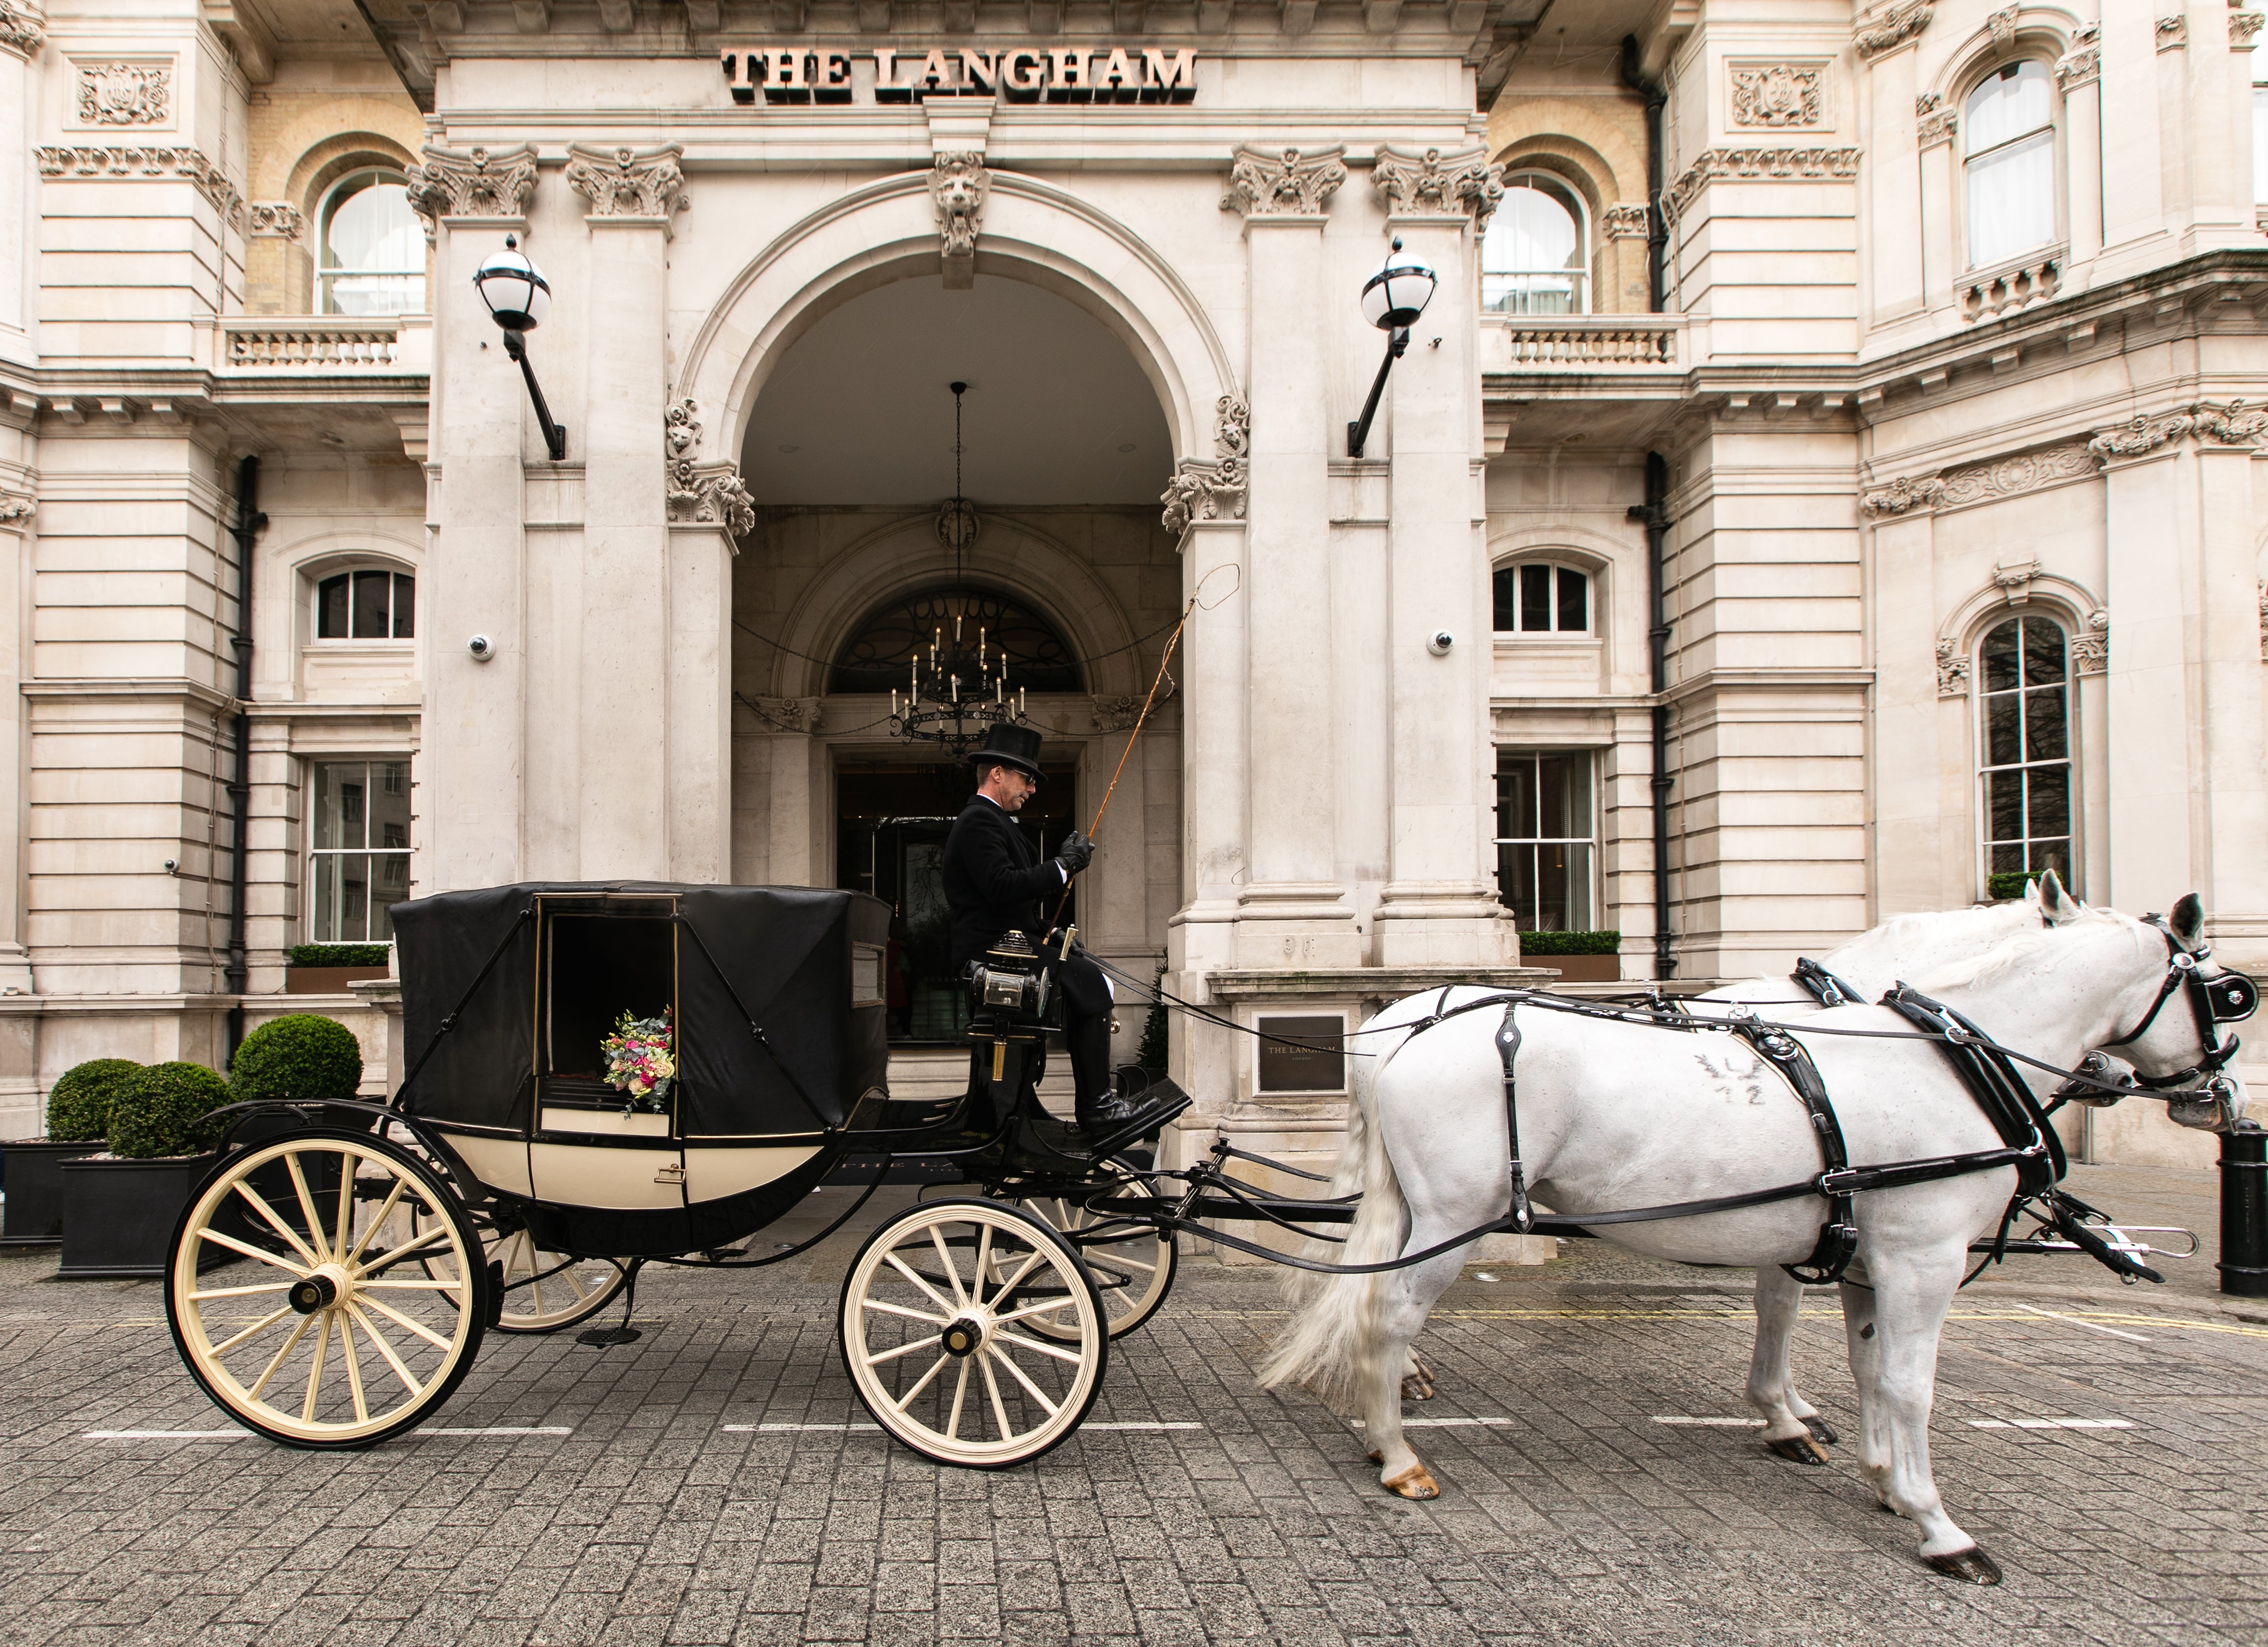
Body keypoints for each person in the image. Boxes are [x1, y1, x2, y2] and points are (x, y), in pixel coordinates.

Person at [942, 723, 1134, 1134]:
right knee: (1091, 983)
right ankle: (1097, 1107)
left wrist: (1052, 930)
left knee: (1092, 975)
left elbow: (1014, 905)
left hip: (1011, 941)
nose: (1031, 789)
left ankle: (1073, 1103)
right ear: (998, 773)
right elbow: (1001, 888)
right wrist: (1063, 867)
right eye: (1027, 779)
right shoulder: (979, 821)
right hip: (994, 951)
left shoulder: (995, 821)